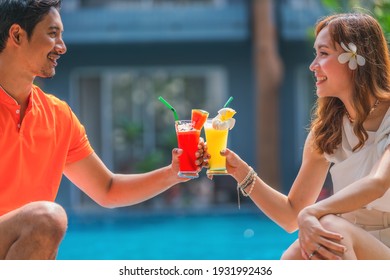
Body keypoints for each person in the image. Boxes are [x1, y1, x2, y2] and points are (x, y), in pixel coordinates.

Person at [0, 0, 207, 260]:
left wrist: (173, 173)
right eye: (52, 34)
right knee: (45, 218)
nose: (62, 47)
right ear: (17, 35)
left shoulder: (58, 116)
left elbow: (108, 189)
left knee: (44, 221)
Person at [217, 12, 390, 259]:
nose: (313, 65)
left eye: (324, 53)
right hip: (345, 240)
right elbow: (292, 215)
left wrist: (313, 213)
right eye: (315, 54)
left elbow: (378, 183)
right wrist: (240, 171)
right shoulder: (328, 130)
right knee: (294, 256)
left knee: (328, 227)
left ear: (355, 58)